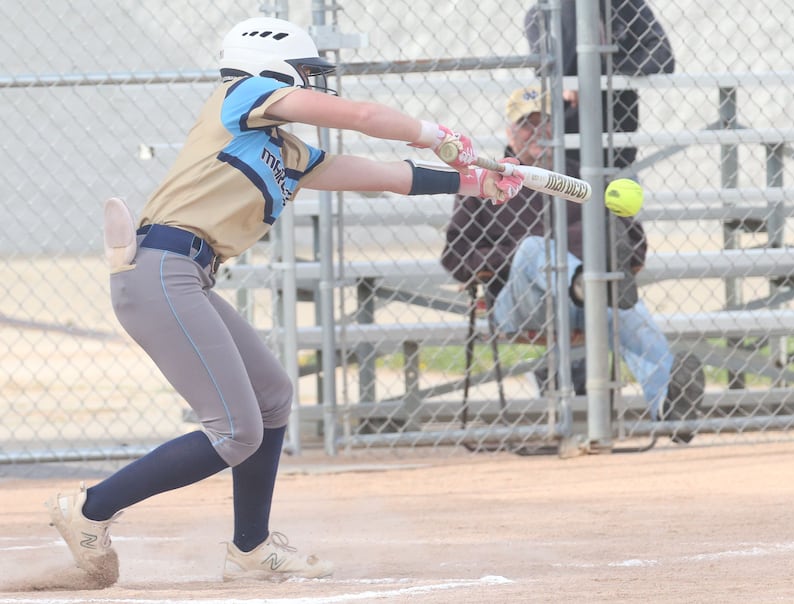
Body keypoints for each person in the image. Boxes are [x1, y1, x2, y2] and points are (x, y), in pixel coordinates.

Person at [46, 17, 524, 587]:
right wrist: (432, 131)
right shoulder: (238, 95)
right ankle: (92, 509)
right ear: (268, 65)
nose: (310, 86)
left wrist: (475, 182)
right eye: (302, 74)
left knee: (271, 398)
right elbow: (365, 118)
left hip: (186, 275)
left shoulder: (284, 152)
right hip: (160, 268)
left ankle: (251, 548)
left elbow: (382, 176)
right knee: (234, 431)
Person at [440, 85, 704, 443]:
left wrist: (577, 242)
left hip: (583, 303)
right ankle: (578, 278)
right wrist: (518, 255)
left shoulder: (581, 177)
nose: (538, 131)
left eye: (546, 122)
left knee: (627, 312)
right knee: (535, 249)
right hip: (519, 304)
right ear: (509, 132)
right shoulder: (486, 180)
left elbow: (634, 243)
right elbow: (455, 255)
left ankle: (671, 412)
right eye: (527, 124)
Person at [525, 0, 675, 170]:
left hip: (619, 152)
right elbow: (547, 71)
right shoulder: (542, 13)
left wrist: (599, 70)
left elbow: (662, 57)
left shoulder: (626, 5)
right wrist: (569, 81)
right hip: (565, 156)